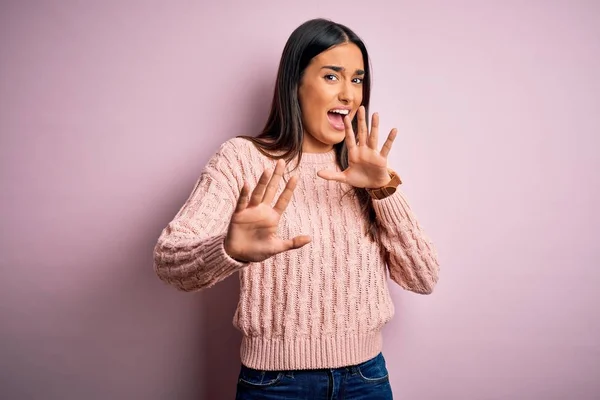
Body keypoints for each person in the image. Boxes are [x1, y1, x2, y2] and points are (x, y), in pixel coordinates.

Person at [153, 18, 439, 400]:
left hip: (366, 380)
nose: (349, 95)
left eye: (357, 79)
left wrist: (383, 188)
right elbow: (170, 263)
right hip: (275, 386)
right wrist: (228, 250)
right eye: (332, 76)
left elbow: (423, 278)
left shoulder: (365, 169)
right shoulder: (243, 158)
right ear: (295, 83)